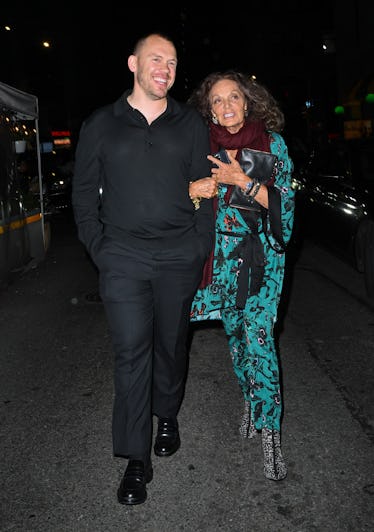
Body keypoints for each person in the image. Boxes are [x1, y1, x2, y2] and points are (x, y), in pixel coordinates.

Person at [71, 32, 215, 505]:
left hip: (178, 255)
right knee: (132, 352)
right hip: (124, 258)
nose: (165, 68)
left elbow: (205, 186)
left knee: (171, 345)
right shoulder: (101, 124)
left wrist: (199, 245)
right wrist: (100, 248)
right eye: (156, 59)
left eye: (173, 62)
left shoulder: (190, 124)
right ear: (133, 62)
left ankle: (167, 411)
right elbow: (83, 193)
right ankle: (137, 460)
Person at [188, 70, 295, 481]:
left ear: (247, 102)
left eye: (234, 97)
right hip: (222, 258)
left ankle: (271, 437)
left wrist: (242, 181)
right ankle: (250, 396)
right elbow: (185, 203)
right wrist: (192, 191)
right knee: (235, 335)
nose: (227, 105)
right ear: (209, 109)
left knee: (260, 338)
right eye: (217, 100)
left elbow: (286, 208)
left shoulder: (273, 144)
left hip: (264, 259)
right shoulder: (201, 148)